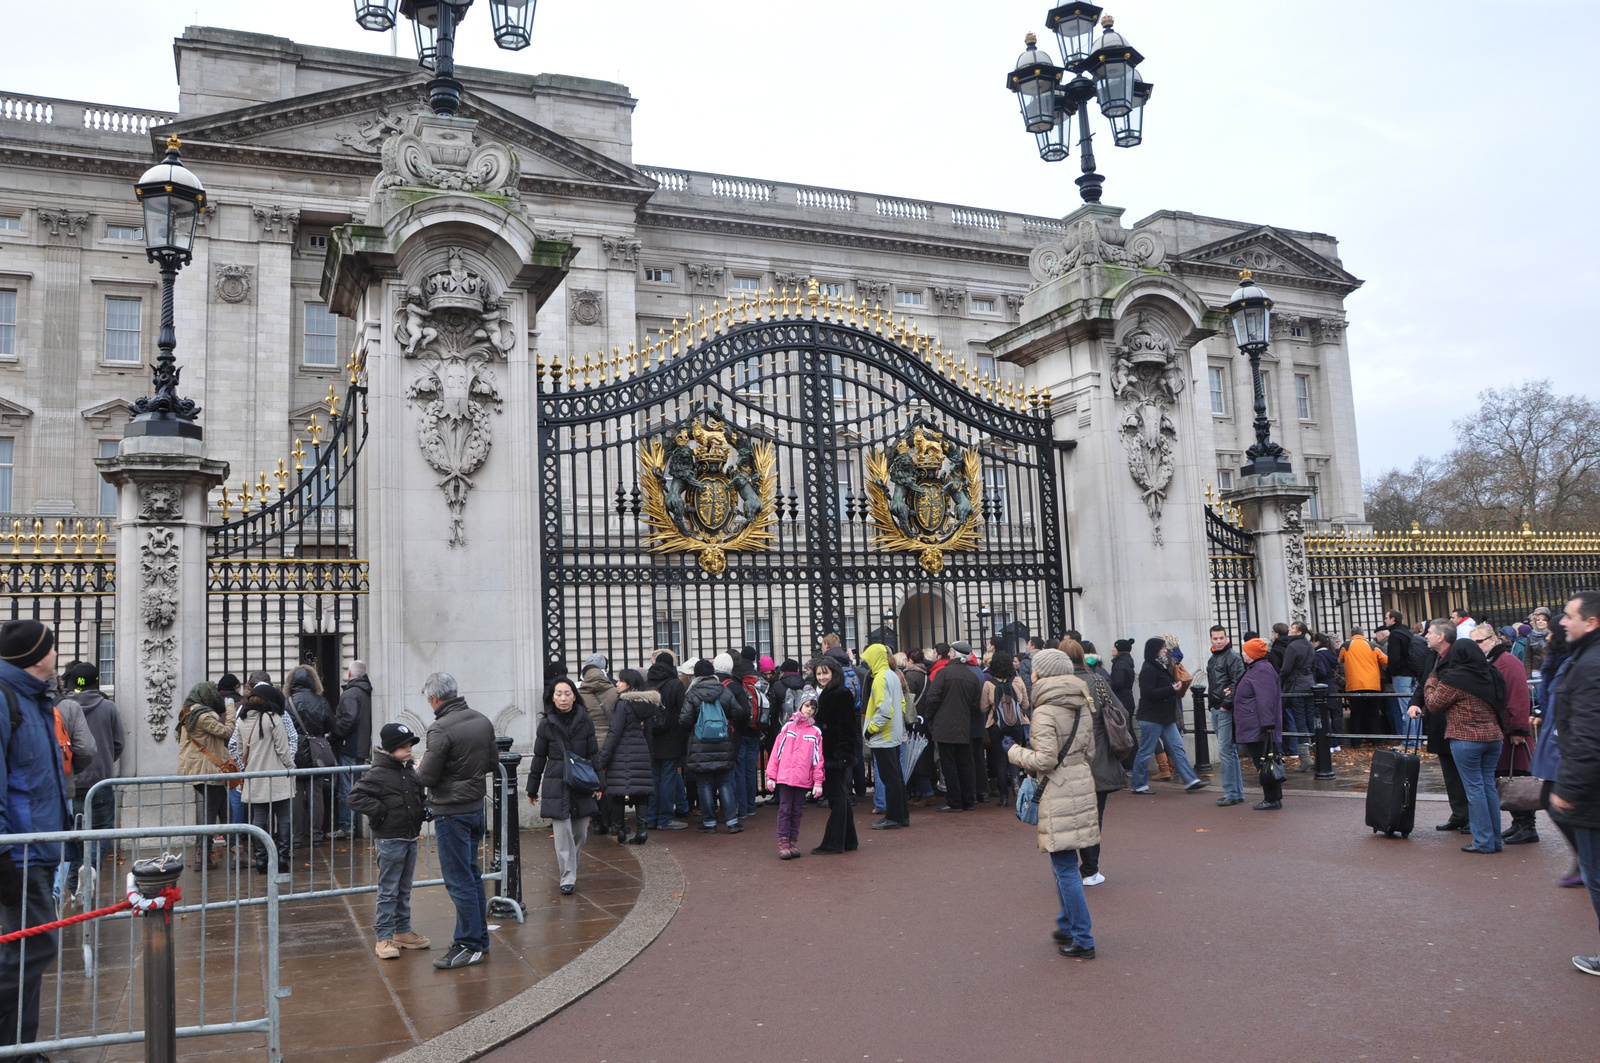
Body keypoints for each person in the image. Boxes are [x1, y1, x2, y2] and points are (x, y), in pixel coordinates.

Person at [0, 620, 70, 1054]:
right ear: (36, 656)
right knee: (37, 945)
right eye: (51, 645)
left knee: (31, 959)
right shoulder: (6, 700)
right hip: (18, 851)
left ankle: (19, 1048)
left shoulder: (37, 700)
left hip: (40, 846)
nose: (57, 651)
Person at [1003, 648, 1097, 959]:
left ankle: (1082, 937)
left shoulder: (1044, 710)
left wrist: (1014, 751)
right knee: (1065, 863)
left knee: (1066, 866)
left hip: (1057, 787)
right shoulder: (1082, 704)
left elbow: (1045, 759)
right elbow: (1089, 751)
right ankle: (1067, 924)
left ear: (1042, 674)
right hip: (1080, 783)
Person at [413, 671, 498, 969]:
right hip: (475, 807)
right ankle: (479, 939)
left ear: (434, 698)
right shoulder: (481, 720)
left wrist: (416, 768)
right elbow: (491, 763)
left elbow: (427, 776)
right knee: (472, 877)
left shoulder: (440, 729)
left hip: (451, 811)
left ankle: (469, 944)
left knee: (460, 880)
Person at [1547, 591, 1600, 975]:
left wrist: (1567, 789)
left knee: (1597, 877)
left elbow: (1587, 737)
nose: (1562, 622)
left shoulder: (1589, 664)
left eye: (1569, 615)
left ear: (1592, 622)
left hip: (1593, 793)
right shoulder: (1586, 658)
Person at [346, 722, 431, 960]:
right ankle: (384, 937)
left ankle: (402, 931)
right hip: (391, 838)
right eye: (403, 746)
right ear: (390, 748)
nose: (409, 750)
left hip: (410, 836)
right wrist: (380, 811)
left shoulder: (408, 771)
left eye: (410, 745)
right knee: (389, 891)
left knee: (404, 889)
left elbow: (418, 797)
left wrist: (424, 809)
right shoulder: (378, 773)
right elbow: (355, 797)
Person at [1421, 636, 1507, 854]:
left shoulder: (1455, 677)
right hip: (1493, 737)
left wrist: (1431, 680)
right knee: (1488, 787)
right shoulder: (1493, 674)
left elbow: (1433, 704)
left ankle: (1483, 841)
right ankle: (1494, 839)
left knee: (1474, 789)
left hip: (1466, 738)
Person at [527, 676, 601, 896]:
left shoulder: (585, 720)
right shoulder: (546, 724)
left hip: (580, 780)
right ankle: (567, 876)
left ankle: (572, 867)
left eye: (567, 693)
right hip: (556, 780)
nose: (563, 698)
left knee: (580, 833)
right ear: (552, 697)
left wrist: (599, 783)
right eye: (558, 694)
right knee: (562, 834)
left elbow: (593, 753)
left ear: (574, 696)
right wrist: (532, 788)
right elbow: (539, 757)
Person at [1063, 639, 1125, 887]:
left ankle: (1067, 868)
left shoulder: (1052, 685)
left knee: (1067, 816)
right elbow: (1120, 712)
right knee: (1093, 816)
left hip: (1066, 760)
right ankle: (1090, 869)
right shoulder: (1097, 681)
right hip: (1097, 757)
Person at [60, 661, 123, 896]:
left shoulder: (63, 708)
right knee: (101, 831)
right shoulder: (108, 707)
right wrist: (105, 758)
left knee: (75, 835)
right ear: (97, 681)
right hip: (100, 781)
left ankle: (75, 883)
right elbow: (119, 744)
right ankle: (92, 867)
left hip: (71, 780)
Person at [1408, 620, 1471, 832]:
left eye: (1430, 633)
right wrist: (1416, 703)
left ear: (1441, 636)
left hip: (1455, 721)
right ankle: (1459, 814)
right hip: (1437, 721)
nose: (1425, 635)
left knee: (1464, 772)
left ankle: (1471, 816)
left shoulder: (1458, 657)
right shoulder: (1432, 656)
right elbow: (1424, 682)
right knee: (1449, 771)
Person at [1477, 624, 1536, 843]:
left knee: (1518, 777)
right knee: (1507, 777)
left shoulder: (1508, 662)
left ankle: (1527, 826)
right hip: (1502, 728)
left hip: (1512, 730)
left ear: (1493, 640)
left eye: (1480, 641)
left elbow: (1519, 697)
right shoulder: (1493, 662)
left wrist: (1518, 728)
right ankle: (1519, 823)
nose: (1477, 645)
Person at [232, 682, 294, 875]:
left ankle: (261, 859)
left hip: (254, 776)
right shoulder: (273, 718)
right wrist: (291, 768)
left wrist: (246, 769)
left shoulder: (241, 720)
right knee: (283, 817)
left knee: (259, 819)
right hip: (277, 775)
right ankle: (282, 857)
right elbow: (283, 749)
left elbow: (239, 750)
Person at [1130, 638, 1205, 794]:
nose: (1166, 650)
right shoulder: (1149, 668)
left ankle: (1190, 780)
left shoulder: (1162, 666)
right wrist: (1172, 689)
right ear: (1155, 650)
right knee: (1145, 751)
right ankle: (1138, 784)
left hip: (1165, 717)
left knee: (1177, 748)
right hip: (1152, 718)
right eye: (1162, 648)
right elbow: (1148, 693)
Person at [177, 681, 237, 871]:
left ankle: (234, 851)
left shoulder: (191, 713)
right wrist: (230, 708)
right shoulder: (201, 715)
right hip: (207, 771)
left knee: (225, 811)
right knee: (212, 814)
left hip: (206, 770)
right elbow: (227, 731)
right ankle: (203, 857)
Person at [679, 659, 744, 834]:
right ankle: (732, 821)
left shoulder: (692, 694)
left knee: (704, 784)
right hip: (723, 742)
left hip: (700, 744)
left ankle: (709, 823)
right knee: (724, 782)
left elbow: (684, 721)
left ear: (697, 674)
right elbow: (739, 712)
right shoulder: (724, 690)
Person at [599, 669, 658, 845]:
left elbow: (614, 732)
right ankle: (642, 831)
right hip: (640, 751)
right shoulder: (647, 703)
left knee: (617, 792)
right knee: (641, 793)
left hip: (622, 753)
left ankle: (619, 830)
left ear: (629, 684)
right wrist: (648, 755)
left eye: (620, 681)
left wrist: (603, 758)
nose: (617, 684)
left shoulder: (622, 704)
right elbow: (649, 734)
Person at [765, 686, 825, 858]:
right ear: (800, 706)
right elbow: (776, 753)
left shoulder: (815, 732)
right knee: (785, 809)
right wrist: (771, 776)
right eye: (807, 706)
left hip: (802, 778)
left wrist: (818, 781)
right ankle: (783, 842)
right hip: (785, 777)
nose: (810, 710)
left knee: (797, 810)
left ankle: (792, 841)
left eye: (813, 707)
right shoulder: (788, 728)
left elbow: (817, 759)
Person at [922, 642, 981, 812]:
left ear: (953, 654)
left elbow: (932, 698)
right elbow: (975, 704)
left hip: (945, 725)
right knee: (965, 764)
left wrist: (931, 717)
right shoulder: (972, 677)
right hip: (963, 725)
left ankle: (954, 801)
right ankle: (968, 801)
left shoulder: (944, 673)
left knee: (949, 765)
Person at [810, 657, 859, 854]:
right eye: (819, 673)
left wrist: (842, 754)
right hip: (830, 751)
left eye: (825, 673)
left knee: (837, 797)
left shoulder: (840, 693)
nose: (821, 677)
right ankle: (847, 840)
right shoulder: (828, 692)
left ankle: (834, 842)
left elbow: (848, 727)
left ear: (834, 673)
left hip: (835, 753)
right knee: (840, 797)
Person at [1235, 638, 1286, 810]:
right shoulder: (1258, 669)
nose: (1242, 653)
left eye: (1245, 651)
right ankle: (1273, 797)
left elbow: (1265, 700)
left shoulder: (1261, 670)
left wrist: (1267, 724)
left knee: (1264, 763)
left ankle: (1271, 799)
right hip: (1256, 723)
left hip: (1258, 725)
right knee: (1266, 762)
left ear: (1252, 654)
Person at [285, 665, 333, 847]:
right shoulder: (320, 701)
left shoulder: (286, 702)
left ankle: (297, 836)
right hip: (315, 753)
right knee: (316, 795)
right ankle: (315, 834)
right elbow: (331, 725)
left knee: (295, 795)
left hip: (294, 752)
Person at [862, 643, 908, 830]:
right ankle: (901, 815)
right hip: (894, 734)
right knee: (896, 777)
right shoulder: (893, 675)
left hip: (884, 736)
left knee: (890, 779)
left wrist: (870, 730)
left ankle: (894, 817)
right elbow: (902, 704)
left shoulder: (880, 678)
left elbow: (883, 711)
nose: (866, 663)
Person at [644, 651, 690, 831]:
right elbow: (683, 711)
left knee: (655, 777)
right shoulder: (675, 684)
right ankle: (665, 818)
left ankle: (651, 817)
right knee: (668, 778)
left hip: (652, 737)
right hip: (672, 738)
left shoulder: (647, 683)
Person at [331, 660, 373, 841]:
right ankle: (352, 825)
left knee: (347, 788)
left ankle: (347, 826)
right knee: (355, 786)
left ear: (349, 674)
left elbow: (349, 719)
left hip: (349, 745)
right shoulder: (365, 691)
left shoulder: (350, 693)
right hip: (361, 745)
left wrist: (334, 733)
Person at [982, 650, 1030, 806]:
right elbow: (1025, 704)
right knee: (1015, 757)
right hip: (1016, 724)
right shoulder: (1017, 681)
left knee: (1000, 760)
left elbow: (983, 707)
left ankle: (1003, 798)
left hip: (996, 725)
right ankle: (1016, 784)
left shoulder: (989, 684)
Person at [1205, 625, 1246, 807]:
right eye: (1215, 638)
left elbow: (1238, 681)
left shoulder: (1233, 657)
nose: (1219, 641)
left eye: (1221, 638)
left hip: (1224, 708)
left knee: (1226, 750)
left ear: (1226, 637)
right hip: (1217, 707)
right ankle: (1235, 791)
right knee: (1229, 750)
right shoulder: (1213, 658)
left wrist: (1225, 704)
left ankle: (1232, 791)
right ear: (1211, 639)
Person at [577, 654, 618, 835]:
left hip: (589, 745)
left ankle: (598, 821)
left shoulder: (578, 694)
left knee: (593, 783)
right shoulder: (614, 691)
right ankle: (611, 820)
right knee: (610, 783)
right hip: (610, 743)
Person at [1339, 629, 1388, 743]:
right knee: (1374, 712)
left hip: (1354, 685)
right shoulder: (1373, 645)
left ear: (1351, 635)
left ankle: (1355, 742)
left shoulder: (1346, 645)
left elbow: (1341, 659)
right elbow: (1385, 660)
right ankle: (1376, 740)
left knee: (1356, 713)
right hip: (1373, 684)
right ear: (1363, 634)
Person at [1382, 611, 1422, 741]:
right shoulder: (1407, 633)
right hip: (1412, 673)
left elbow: (1394, 658)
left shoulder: (1395, 635)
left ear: (1393, 619)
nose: (1384, 621)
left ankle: (1410, 742)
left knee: (1406, 710)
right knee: (1415, 707)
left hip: (1401, 675)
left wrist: (1392, 673)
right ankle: (1418, 739)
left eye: (1386, 618)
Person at [1279, 621, 1314, 766]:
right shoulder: (1310, 646)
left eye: (1292, 628)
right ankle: (1321, 756)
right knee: (1311, 720)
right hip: (1310, 684)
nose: (1289, 629)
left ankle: (1305, 759)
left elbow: (1286, 669)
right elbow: (1314, 667)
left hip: (1297, 686)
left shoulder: (1292, 646)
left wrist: (1279, 682)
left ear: (1299, 632)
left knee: (1300, 721)